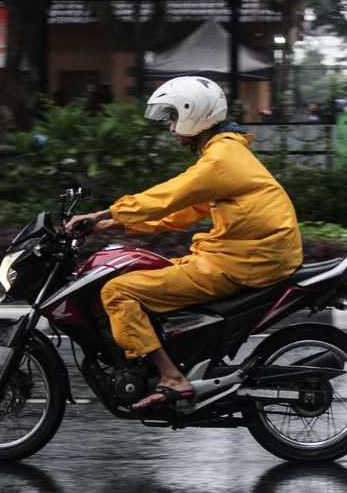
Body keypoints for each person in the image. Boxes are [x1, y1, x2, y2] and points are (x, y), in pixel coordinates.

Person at [66, 76, 303, 410]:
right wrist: (107, 224)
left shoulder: (220, 159)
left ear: (196, 113)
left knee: (118, 291)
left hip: (244, 260)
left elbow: (170, 195)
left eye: (175, 117)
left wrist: (104, 212)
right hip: (244, 253)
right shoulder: (225, 153)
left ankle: (172, 377)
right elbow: (186, 210)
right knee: (153, 271)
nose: (171, 127)